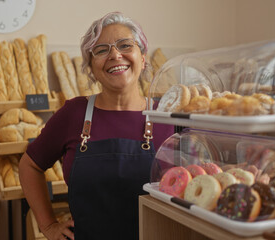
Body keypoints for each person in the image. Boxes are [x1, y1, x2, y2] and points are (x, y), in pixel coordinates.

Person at [19, 12, 174, 240]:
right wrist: (48, 225)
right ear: (91, 68)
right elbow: (29, 166)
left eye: (125, 45)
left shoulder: (168, 117)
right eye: (101, 50)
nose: (115, 54)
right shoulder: (74, 114)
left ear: (143, 58)